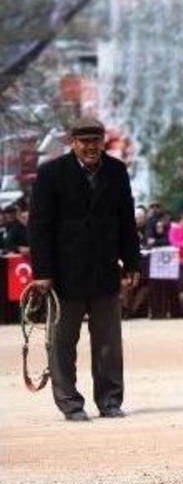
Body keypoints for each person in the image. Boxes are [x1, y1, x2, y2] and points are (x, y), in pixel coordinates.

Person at [27, 117, 141, 421]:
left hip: (105, 269)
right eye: (84, 141)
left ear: (104, 141)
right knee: (62, 342)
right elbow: (39, 227)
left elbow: (126, 221)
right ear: (71, 142)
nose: (91, 147)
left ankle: (110, 401)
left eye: (96, 140)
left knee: (108, 343)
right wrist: (42, 272)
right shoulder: (51, 173)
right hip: (63, 274)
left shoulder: (116, 171)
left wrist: (132, 262)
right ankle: (70, 403)